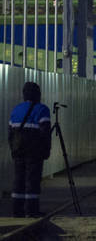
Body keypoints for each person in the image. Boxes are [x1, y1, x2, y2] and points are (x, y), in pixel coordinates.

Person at [7, 82, 51, 217]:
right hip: (34, 151)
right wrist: (46, 151)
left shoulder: (16, 109)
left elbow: (10, 134)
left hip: (18, 150)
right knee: (32, 180)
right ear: (38, 94)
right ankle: (32, 211)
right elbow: (45, 133)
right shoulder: (42, 109)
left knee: (18, 179)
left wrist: (13, 150)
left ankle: (17, 210)